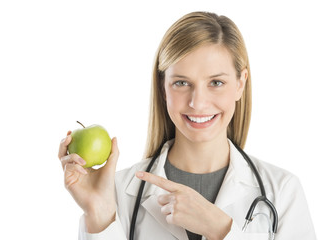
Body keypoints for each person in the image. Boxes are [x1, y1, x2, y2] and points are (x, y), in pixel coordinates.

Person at [58, 11, 316, 239]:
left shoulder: (282, 192)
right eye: (182, 83)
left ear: (240, 83)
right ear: (163, 87)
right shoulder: (117, 193)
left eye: (216, 82)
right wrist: (99, 213)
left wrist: (220, 230)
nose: (198, 103)